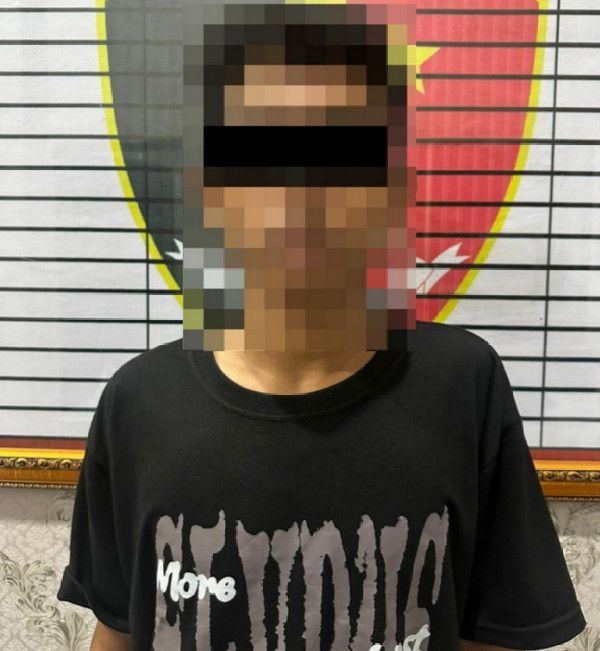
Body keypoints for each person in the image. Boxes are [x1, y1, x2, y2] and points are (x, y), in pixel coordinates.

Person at [56, 3, 587, 650]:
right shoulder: (137, 404)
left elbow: (498, 631)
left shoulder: (463, 387)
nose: (299, 188)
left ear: (396, 189)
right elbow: (117, 628)